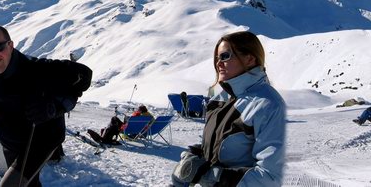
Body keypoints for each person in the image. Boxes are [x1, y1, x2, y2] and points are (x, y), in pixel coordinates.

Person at [0, 24, 93, 187]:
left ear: (10, 45)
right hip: (10, 139)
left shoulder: (38, 70)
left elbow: (84, 77)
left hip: (42, 138)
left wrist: (54, 107)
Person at [172, 31, 287, 187]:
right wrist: (191, 159)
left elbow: (269, 178)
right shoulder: (219, 99)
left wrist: (213, 177)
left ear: (250, 59)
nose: (219, 63)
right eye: (217, 58)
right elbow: (216, 149)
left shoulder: (267, 104)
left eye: (225, 56)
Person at [87, 106, 153, 145]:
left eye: (138, 110)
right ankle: (107, 130)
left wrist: (133, 116)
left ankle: (106, 131)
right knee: (115, 120)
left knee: (114, 119)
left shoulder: (139, 116)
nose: (137, 111)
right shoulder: (148, 117)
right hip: (139, 130)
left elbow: (130, 122)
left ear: (141, 110)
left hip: (126, 129)